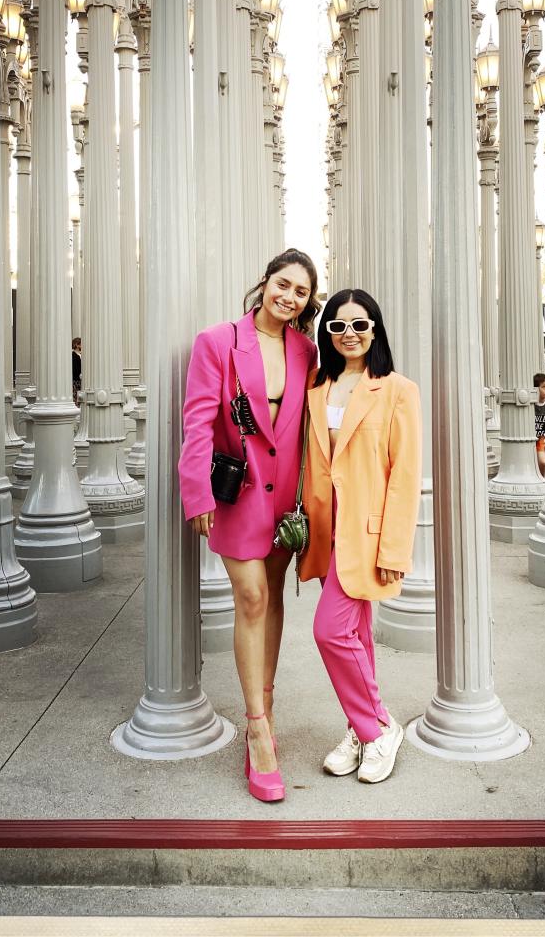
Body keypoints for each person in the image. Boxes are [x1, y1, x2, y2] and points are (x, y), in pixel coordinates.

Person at [178, 250, 320, 803]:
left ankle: (268, 701)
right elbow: (196, 421)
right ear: (264, 282)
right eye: (282, 284)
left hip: (284, 497)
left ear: (308, 303)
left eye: (301, 292)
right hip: (235, 494)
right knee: (252, 596)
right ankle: (257, 727)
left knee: (275, 599)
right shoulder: (217, 342)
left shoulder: (306, 351)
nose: (288, 296)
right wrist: (196, 495)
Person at [299, 289, 421, 785]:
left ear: (375, 328)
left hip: (367, 536)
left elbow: (404, 474)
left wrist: (393, 547)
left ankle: (376, 729)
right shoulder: (316, 385)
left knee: (329, 631)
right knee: (356, 635)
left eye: (359, 324)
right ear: (327, 333)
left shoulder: (397, 389)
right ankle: (361, 725)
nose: (349, 333)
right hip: (326, 531)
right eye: (337, 326)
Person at [71, 337, 82, 407]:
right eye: (81, 344)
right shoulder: (73, 355)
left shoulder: (80, 355)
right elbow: (75, 369)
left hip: (81, 380)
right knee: (76, 398)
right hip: (76, 380)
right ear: (77, 345)